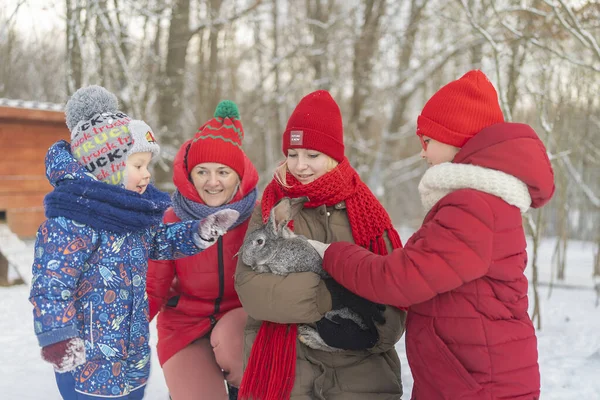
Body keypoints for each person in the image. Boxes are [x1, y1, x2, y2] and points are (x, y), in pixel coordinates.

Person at [309, 70, 555, 400]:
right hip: (467, 376)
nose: (422, 153)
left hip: (479, 384)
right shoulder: (480, 202)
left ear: (458, 140)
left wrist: (331, 254)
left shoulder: (473, 206)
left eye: (427, 141)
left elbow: (401, 279)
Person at [29, 86, 238, 400]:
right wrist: (58, 337)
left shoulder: (131, 216)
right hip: (87, 362)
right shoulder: (71, 222)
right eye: (138, 165)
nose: (146, 175)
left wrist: (199, 231)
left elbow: (161, 241)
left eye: (147, 166)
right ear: (109, 166)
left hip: (131, 355)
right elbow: (50, 285)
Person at [235, 90, 407, 400]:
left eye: (312, 155)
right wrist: (331, 296)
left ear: (334, 156)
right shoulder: (271, 209)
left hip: (359, 368)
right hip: (286, 366)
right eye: (292, 154)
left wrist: (369, 337)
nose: (300, 166)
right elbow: (251, 289)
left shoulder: (367, 214)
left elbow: (393, 298)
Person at [146, 100, 259, 400]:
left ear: (238, 175)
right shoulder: (171, 218)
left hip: (239, 321)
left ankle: (242, 390)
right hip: (184, 323)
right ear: (189, 175)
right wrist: (121, 329)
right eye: (202, 172)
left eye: (223, 172)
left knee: (236, 349)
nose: (212, 182)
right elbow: (152, 287)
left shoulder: (257, 216)